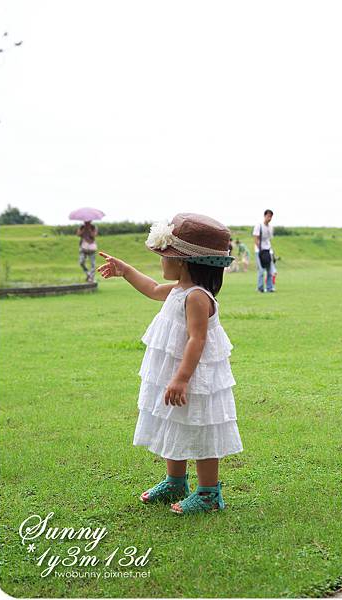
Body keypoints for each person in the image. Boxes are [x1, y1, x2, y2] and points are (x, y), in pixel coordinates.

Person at [97, 213, 243, 514]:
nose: (162, 261)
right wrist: (125, 271)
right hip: (175, 371)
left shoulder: (198, 297)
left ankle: (208, 493)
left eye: (166, 255)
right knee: (172, 420)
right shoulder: (179, 290)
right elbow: (151, 289)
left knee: (202, 425)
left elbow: (197, 340)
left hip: (194, 377)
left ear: (183, 262)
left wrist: (181, 378)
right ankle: (176, 481)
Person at [252, 210, 274, 293]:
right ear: (264, 216)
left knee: (269, 270)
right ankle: (260, 288)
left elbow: (269, 239)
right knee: (261, 270)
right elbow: (256, 238)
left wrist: (271, 250)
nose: (269, 218)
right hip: (259, 251)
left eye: (271, 216)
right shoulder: (259, 226)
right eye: (268, 216)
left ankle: (269, 287)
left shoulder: (270, 227)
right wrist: (260, 249)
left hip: (268, 250)